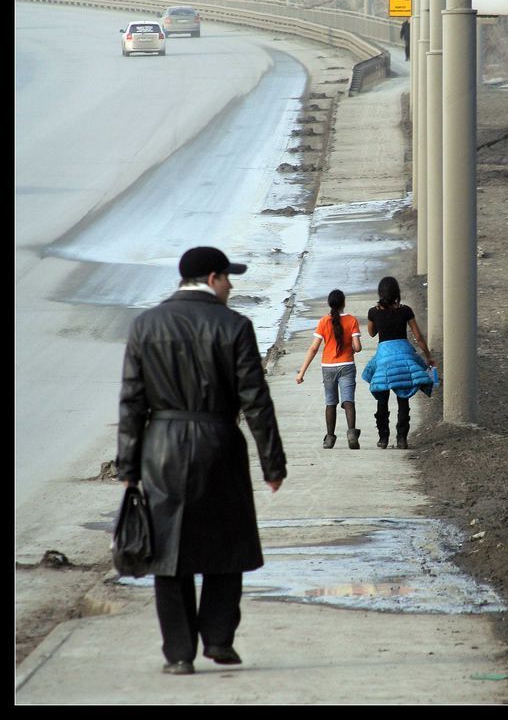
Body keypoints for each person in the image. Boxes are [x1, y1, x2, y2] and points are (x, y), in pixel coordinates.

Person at [117, 246, 287, 676]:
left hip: (161, 447)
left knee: (168, 551)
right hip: (219, 444)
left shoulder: (145, 325)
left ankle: (178, 654)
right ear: (212, 278)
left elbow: (132, 403)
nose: (231, 286)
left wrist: (128, 467)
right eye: (229, 277)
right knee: (227, 545)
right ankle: (218, 639)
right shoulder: (234, 326)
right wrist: (273, 464)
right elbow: (255, 401)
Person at [362, 276, 435, 450]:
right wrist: (428, 356)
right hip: (404, 355)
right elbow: (418, 337)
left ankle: (383, 438)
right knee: (403, 396)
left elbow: (371, 333)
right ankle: (402, 438)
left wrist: (379, 319)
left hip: (385, 358)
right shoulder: (406, 310)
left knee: (382, 396)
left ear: (381, 293)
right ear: (397, 293)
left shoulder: (374, 312)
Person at [295, 289, 362, 449]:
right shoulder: (352, 320)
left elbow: (313, 348)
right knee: (348, 401)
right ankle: (351, 434)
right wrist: (352, 346)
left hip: (328, 367)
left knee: (330, 402)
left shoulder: (324, 321)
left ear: (330, 304)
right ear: (344, 303)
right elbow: (358, 347)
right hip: (347, 365)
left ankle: (330, 438)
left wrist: (302, 372)